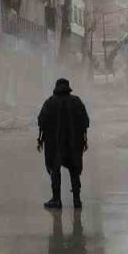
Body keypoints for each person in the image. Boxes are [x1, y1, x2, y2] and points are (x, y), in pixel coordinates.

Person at [37, 77, 90, 210]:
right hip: (74, 143)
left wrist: (41, 138)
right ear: (68, 88)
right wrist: (83, 138)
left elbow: (41, 121)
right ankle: (77, 200)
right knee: (74, 170)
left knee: (55, 171)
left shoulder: (50, 102)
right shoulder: (76, 102)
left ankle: (56, 200)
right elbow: (85, 121)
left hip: (55, 145)